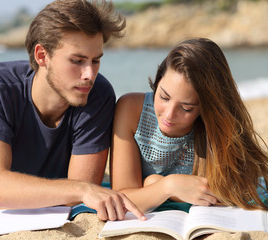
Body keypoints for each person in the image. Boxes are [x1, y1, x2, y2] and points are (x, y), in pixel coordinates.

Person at [0, 0, 146, 222]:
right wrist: (79, 190)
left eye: (95, 61)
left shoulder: (98, 94)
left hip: (37, 188)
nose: (89, 75)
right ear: (42, 56)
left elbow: (82, 191)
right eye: (77, 60)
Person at [110, 37, 268, 213]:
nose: (169, 114)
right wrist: (168, 186)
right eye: (164, 97)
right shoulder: (131, 109)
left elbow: (233, 192)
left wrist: (155, 184)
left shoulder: (216, 129)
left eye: (186, 108)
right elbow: (122, 198)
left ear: (206, 108)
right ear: (158, 80)